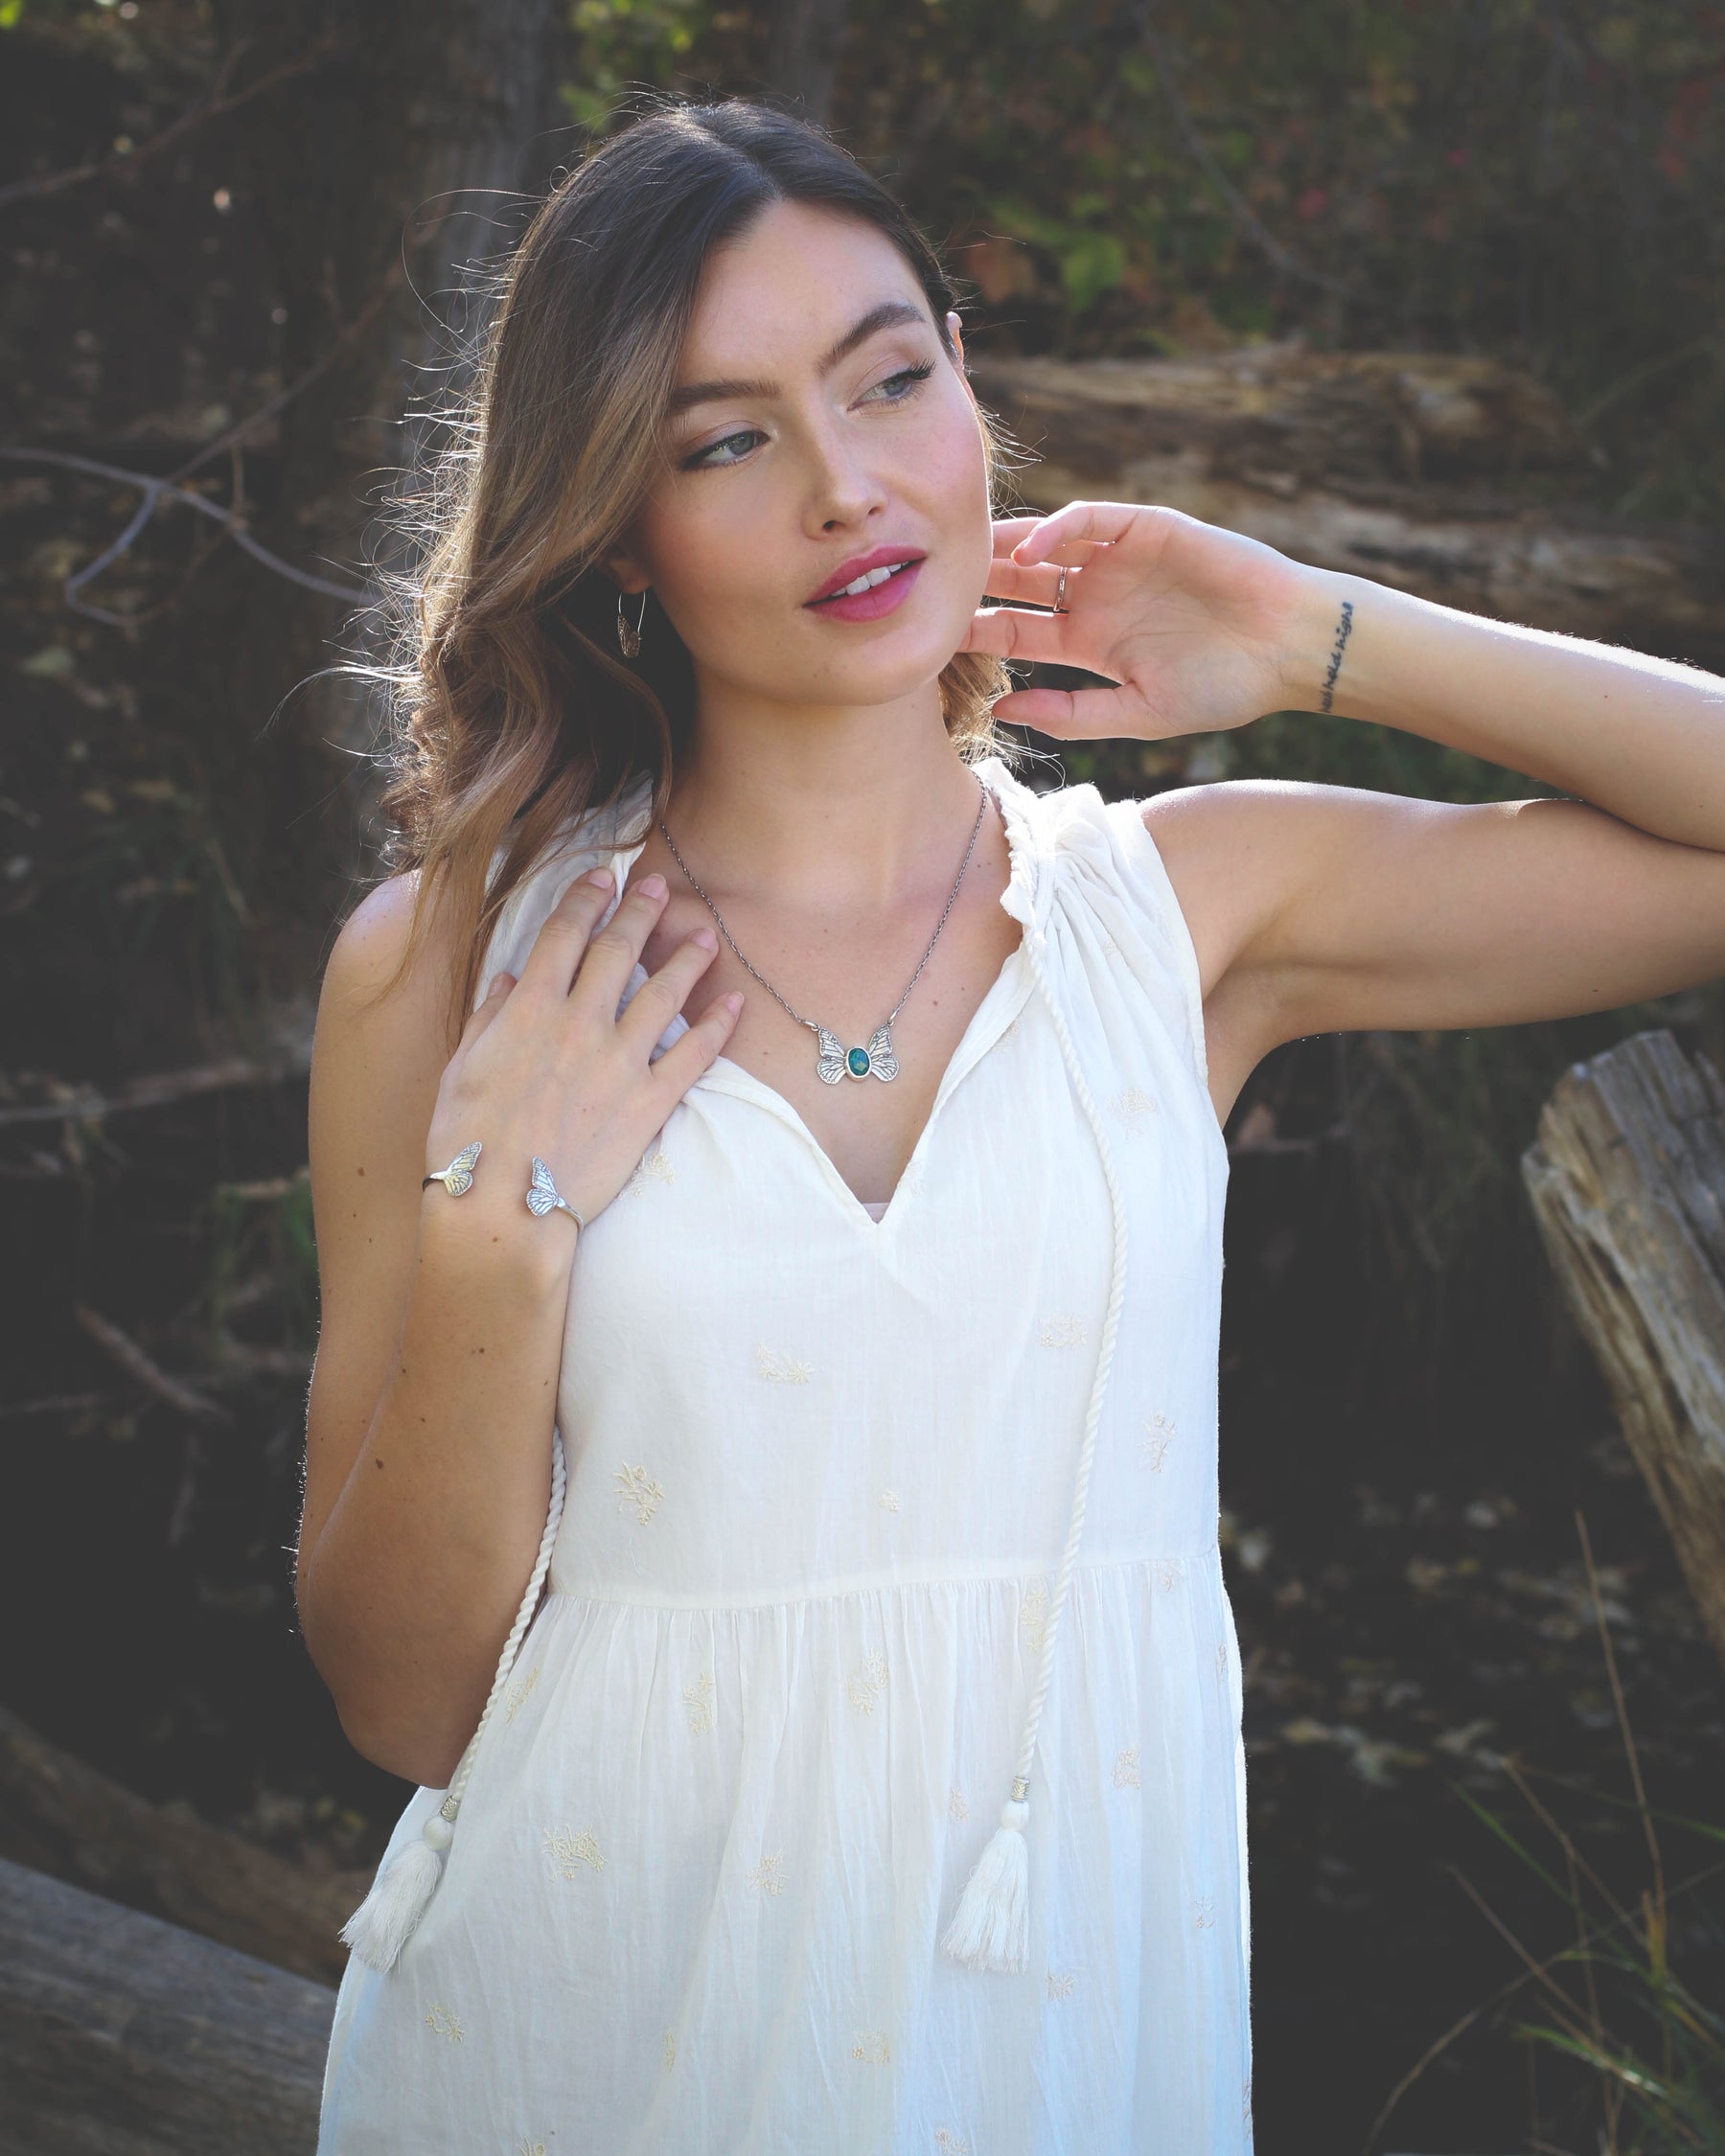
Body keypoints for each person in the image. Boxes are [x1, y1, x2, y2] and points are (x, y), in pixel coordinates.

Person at [297, 93, 1725, 2155]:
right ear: (616, 518)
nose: (846, 488)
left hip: (1063, 2057)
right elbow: (403, 1703)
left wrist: (1316, 635)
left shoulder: (1190, 916)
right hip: (577, 2051)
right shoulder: (446, 976)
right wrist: (498, 1222)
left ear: (970, 383)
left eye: (888, 380)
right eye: (725, 439)